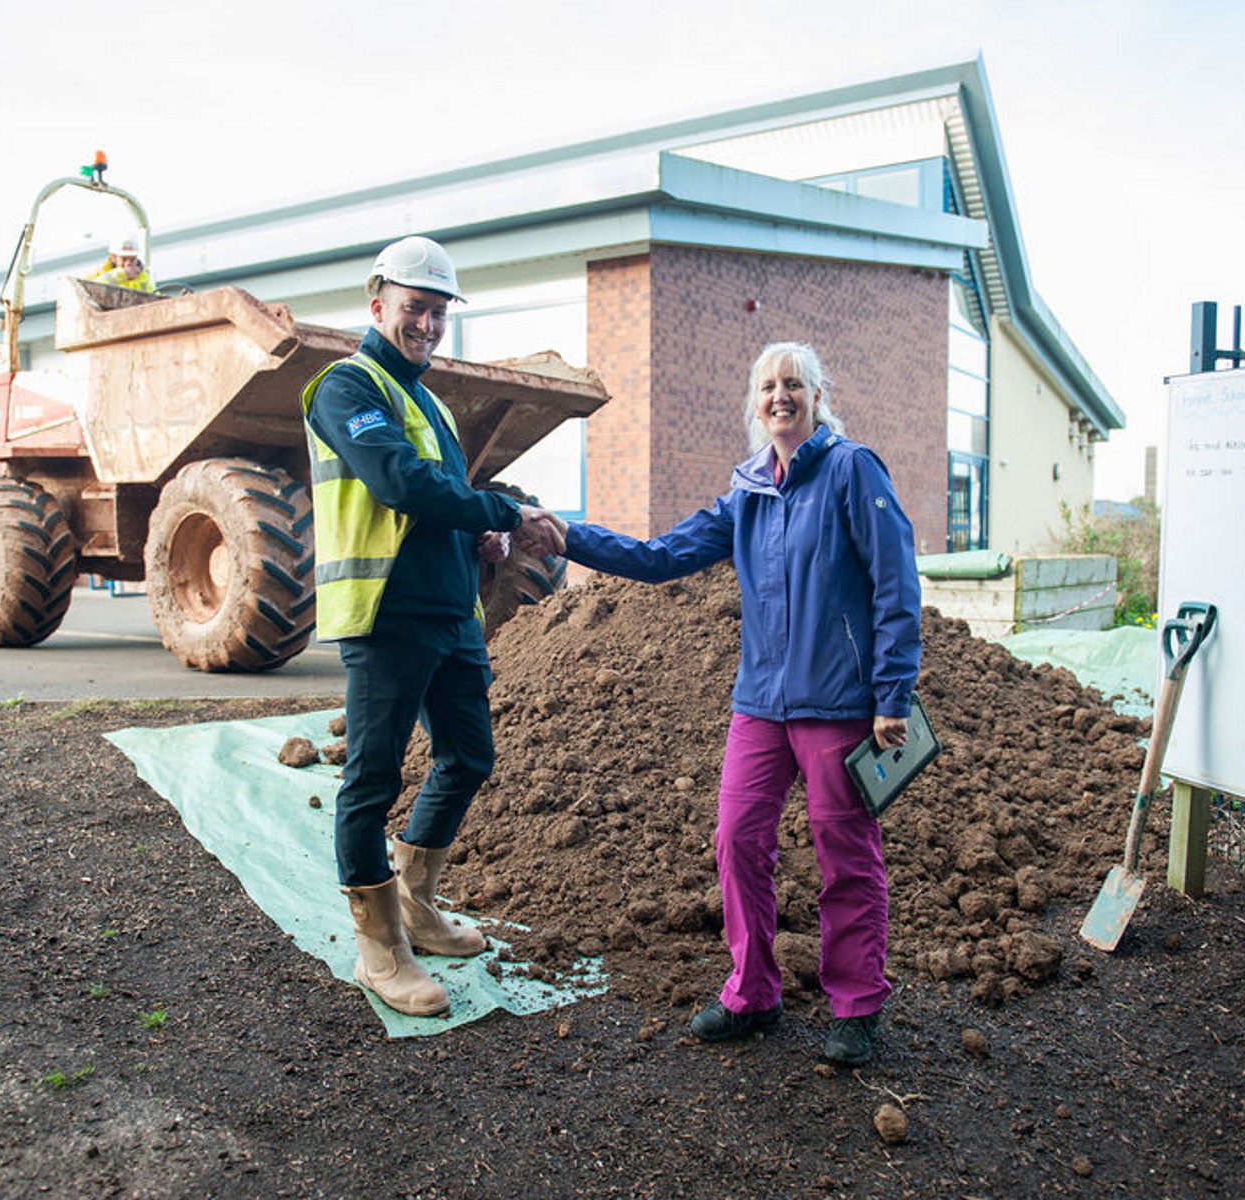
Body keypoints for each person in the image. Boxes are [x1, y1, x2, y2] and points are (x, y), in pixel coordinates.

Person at [555, 342, 921, 1065]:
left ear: (818, 396)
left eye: (793, 384)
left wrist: (892, 694)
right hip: (761, 703)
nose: (780, 396)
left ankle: (856, 1004)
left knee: (844, 854)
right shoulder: (748, 491)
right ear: (755, 404)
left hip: (838, 704)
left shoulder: (852, 470)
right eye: (767, 386)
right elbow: (661, 557)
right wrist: (567, 535)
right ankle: (753, 992)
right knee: (737, 841)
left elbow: (895, 585)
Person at [300, 234, 564, 1017]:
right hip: (386, 614)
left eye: (438, 311)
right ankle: (379, 949)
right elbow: (395, 480)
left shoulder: (431, 402)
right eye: (416, 307)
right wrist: (503, 510)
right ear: (377, 302)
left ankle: (415, 901)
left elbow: (439, 497)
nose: (427, 324)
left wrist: (476, 536)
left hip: (451, 612)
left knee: (469, 756)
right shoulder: (346, 389)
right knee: (372, 778)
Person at [88, 235, 155, 293]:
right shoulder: (97, 273)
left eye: (132, 259)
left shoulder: (144, 278)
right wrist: (122, 274)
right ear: (114, 257)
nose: (128, 263)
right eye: (124, 259)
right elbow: (90, 290)